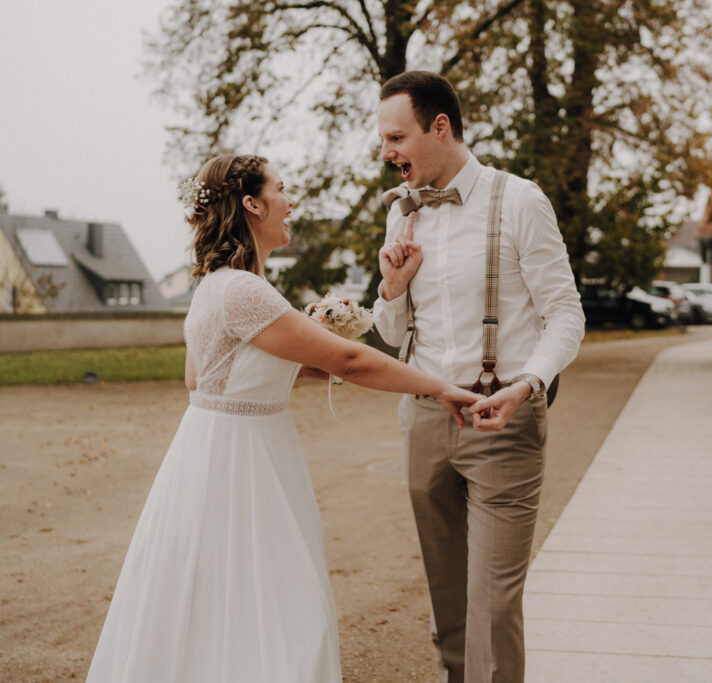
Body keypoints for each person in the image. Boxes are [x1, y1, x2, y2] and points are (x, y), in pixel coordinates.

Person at [86, 153, 481, 683]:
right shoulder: (245, 290)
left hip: (214, 452)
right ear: (252, 204)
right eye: (282, 189)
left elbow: (203, 379)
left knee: (212, 606)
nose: (291, 201)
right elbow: (350, 358)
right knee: (284, 612)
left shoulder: (214, 284)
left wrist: (312, 362)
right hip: (243, 464)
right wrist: (440, 386)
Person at [373, 71, 585, 683]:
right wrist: (392, 287)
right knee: (449, 602)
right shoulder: (401, 215)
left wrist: (529, 386)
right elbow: (391, 334)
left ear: (439, 127)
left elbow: (566, 315)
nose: (387, 154)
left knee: (492, 607)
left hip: (503, 423)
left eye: (396, 137)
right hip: (423, 421)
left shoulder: (519, 199)